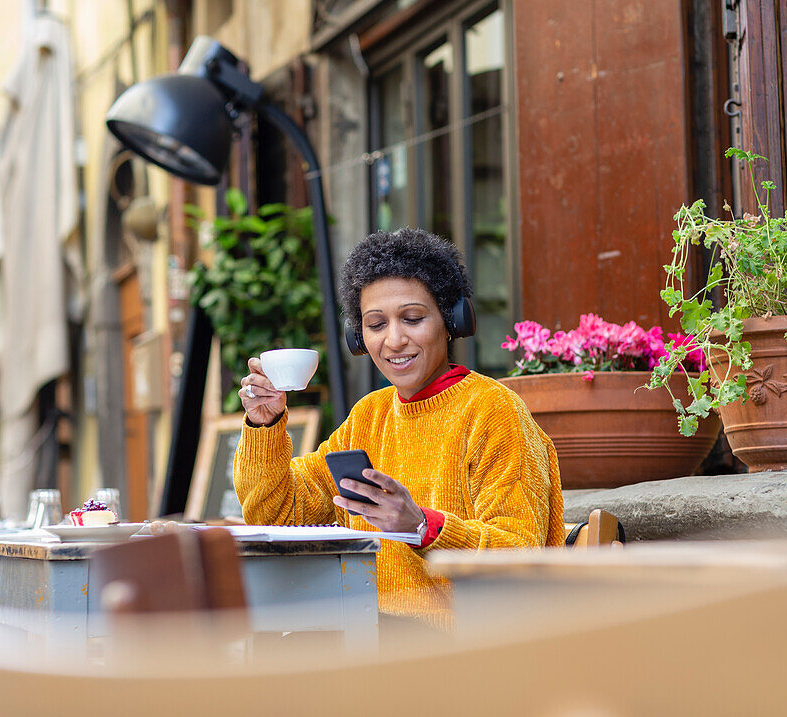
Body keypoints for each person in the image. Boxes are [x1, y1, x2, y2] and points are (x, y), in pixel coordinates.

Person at [234, 228, 564, 627]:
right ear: (358, 337)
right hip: (369, 640)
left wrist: (421, 526)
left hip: (464, 653)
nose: (393, 340)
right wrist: (262, 423)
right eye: (375, 325)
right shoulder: (368, 416)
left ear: (451, 319)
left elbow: (521, 559)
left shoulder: (495, 411)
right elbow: (277, 515)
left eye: (412, 318)